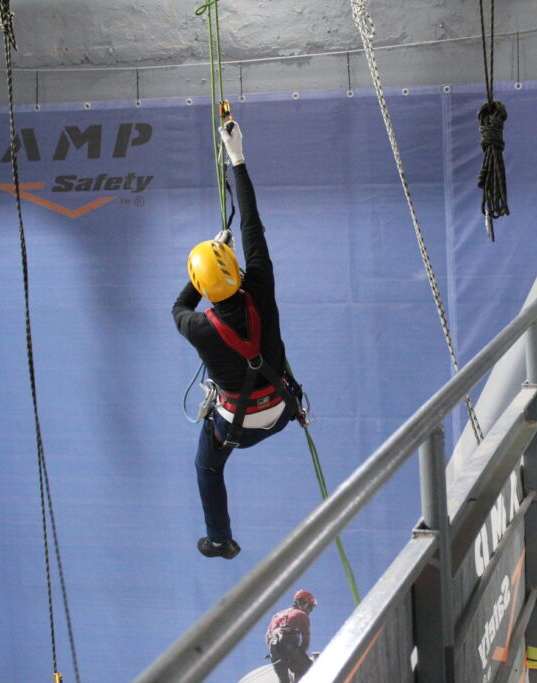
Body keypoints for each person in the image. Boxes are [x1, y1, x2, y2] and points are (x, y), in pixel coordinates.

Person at [173, 119, 299, 560]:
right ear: (236, 268)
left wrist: (204, 266)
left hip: (237, 430)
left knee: (208, 469)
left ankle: (220, 540)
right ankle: (220, 538)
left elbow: (180, 306)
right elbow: (252, 225)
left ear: (202, 288)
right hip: (282, 410)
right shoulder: (260, 286)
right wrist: (236, 158)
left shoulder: (198, 327)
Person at [266, 590, 317, 683]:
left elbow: (267, 637)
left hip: (274, 648)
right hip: (287, 645)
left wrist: (275, 653)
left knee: (283, 680)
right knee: (307, 669)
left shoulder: (277, 615)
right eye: (310, 606)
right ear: (303, 603)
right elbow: (305, 642)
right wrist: (300, 655)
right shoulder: (301, 614)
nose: (310, 610)